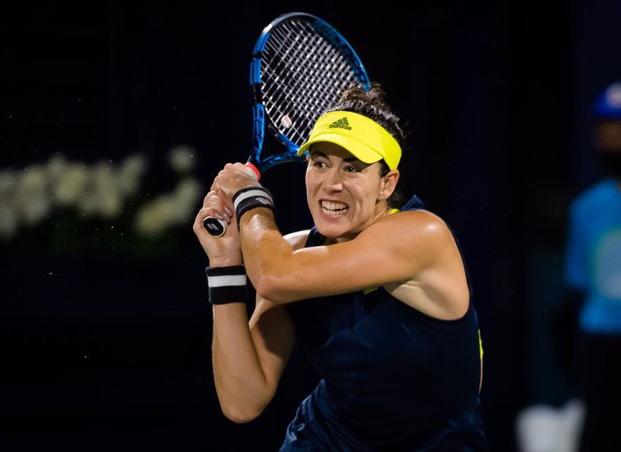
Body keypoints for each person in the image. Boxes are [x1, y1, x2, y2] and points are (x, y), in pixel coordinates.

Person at [193, 83, 488, 450]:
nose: (330, 184)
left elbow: (272, 275)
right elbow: (242, 401)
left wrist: (249, 197)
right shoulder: (292, 256)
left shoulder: (423, 234)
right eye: (319, 164)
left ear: (387, 183)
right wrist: (223, 265)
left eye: (352, 168)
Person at [556, 81, 621, 452]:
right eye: (606, 132)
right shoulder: (587, 208)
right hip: (603, 353)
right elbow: (577, 286)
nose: (611, 141)